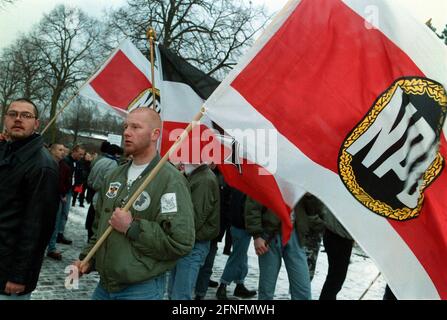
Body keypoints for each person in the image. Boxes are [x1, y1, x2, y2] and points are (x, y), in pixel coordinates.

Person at [73, 108, 195, 300]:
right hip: (104, 287)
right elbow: (100, 228)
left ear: (155, 134)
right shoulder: (114, 175)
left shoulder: (170, 180)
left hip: (140, 289)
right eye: (126, 126)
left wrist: (132, 228)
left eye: (135, 127)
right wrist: (88, 259)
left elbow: (180, 243)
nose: (126, 132)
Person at [0, 98, 59, 300]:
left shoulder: (43, 165)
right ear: (5, 119)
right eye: (12, 114)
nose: (18, 119)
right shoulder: (7, 151)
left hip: (9, 275)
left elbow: (37, 228)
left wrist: (19, 276)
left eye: (25, 115)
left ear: (36, 124)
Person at [168, 163, 220, 300]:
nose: (182, 161)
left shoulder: (204, 180)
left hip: (192, 242)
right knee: (174, 292)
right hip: (185, 241)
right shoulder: (195, 176)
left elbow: (195, 217)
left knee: (180, 295)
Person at [245, 197, 312, 300]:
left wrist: (310, 197)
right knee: (267, 287)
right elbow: (253, 204)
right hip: (270, 235)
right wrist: (256, 235)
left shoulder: (305, 181)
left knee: (303, 288)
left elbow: (314, 209)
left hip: (295, 233)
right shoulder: (267, 180)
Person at [215, 188, 257, 300]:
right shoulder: (243, 183)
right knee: (238, 256)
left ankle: (239, 284)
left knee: (242, 256)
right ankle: (223, 285)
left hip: (239, 224)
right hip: (241, 225)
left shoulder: (240, 180)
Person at [85, 142, 123, 241]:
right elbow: (110, 183)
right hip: (101, 195)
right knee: (96, 221)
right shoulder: (113, 163)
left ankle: (89, 238)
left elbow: (90, 177)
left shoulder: (100, 160)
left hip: (94, 191)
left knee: (91, 218)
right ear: (116, 154)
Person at [46, 143, 72, 260]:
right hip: (42, 197)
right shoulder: (44, 162)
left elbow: (67, 183)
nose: (63, 152)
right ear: (52, 151)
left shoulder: (65, 167)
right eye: (60, 150)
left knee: (54, 224)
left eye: (63, 150)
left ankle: (51, 248)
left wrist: (63, 193)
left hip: (57, 198)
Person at [58, 144, 86, 244]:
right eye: (80, 154)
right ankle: (56, 234)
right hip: (64, 191)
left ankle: (60, 233)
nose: (81, 156)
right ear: (74, 151)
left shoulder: (78, 163)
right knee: (60, 213)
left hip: (70, 190)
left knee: (65, 213)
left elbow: (78, 176)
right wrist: (63, 192)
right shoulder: (66, 161)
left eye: (83, 155)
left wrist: (77, 186)